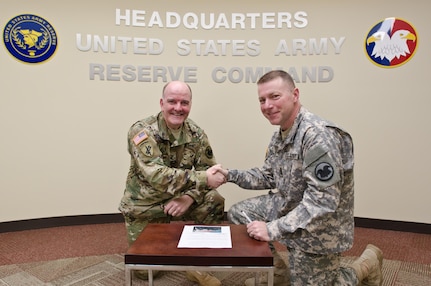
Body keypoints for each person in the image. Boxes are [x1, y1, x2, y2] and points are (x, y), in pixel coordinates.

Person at [209, 70, 383, 286]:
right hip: (291, 207)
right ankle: (278, 275)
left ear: (295, 95)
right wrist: (229, 175)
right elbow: (269, 176)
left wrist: (271, 229)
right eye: (262, 100)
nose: (267, 105)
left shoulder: (317, 136)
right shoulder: (281, 134)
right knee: (240, 214)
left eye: (274, 96)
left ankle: (366, 264)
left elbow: (323, 202)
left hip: (319, 228)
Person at [119, 81, 226, 286]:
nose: (178, 107)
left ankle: (198, 265)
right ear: (162, 103)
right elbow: (157, 176)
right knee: (146, 272)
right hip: (146, 205)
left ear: (190, 105)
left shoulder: (196, 134)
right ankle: (164, 240)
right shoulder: (142, 132)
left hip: (180, 199)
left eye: (184, 102)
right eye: (172, 101)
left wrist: (189, 197)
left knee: (214, 200)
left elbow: (208, 170)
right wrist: (203, 179)